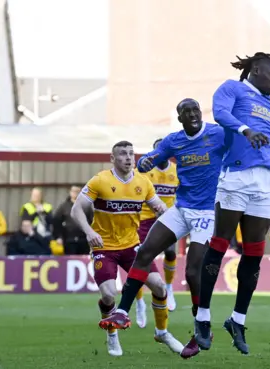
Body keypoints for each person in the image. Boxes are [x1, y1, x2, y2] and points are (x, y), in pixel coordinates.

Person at [193, 53, 270, 355]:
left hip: (264, 182)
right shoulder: (233, 88)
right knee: (219, 244)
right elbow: (220, 114)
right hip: (236, 176)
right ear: (255, 69)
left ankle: (238, 320)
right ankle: (202, 316)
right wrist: (246, 130)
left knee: (255, 254)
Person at [98, 100, 224, 359]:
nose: (192, 115)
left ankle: (202, 327)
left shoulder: (218, 133)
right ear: (179, 118)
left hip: (206, 213)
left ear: (201, 114)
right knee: (144, 252)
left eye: (195, 111)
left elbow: (240, 144)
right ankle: (122, 311)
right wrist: (145, 163)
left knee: (192, 272)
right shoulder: (173, 140)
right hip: (181, 208)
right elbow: (149, 160)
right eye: (186, 112)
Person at [71, 140, 185, 357]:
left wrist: (163, 209)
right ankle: (112, 334)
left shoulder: (143, 182)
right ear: (113, 159)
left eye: (131, 154)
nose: (128, 157)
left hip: (132, 246)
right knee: (108, 294)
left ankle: (162, 332)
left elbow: (157, 205)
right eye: (122, 154)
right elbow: (77, 209)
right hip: (104, 246)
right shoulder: (100, 180)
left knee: (159, 286)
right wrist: (89, 231)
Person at [133, 138, 180, 329]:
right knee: (139, 259)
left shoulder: (177, 170)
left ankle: (169, 287)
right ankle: (139, 301)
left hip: (167, 217)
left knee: (170, 252)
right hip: (144, 219)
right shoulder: (143, 172)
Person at [53, 185, 90, 255]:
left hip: (84, 241)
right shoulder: (63, 207)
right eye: (74, 191)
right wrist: (58, 237)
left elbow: (92, 221)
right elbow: (56, 222)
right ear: (70, 192)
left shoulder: (86, 206)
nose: (75, 193)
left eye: (78, 191)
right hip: (69, 240)